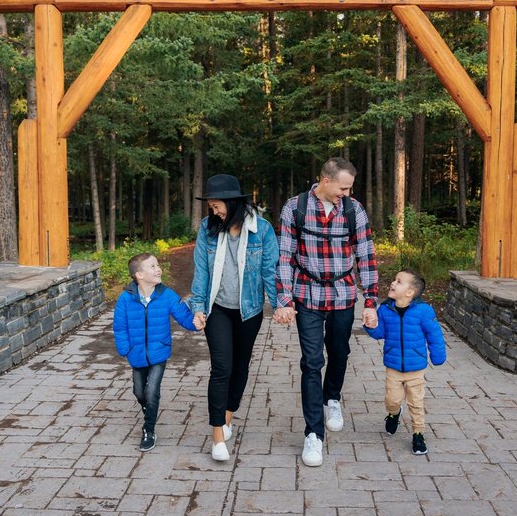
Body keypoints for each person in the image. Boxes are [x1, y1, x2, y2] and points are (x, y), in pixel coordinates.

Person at [273, 157, 379, 467]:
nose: (346, 193)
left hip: (344, 294)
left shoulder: (353, 210)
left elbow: (366, 255)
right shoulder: (295, 208)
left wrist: (370, 300)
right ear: (325, 180)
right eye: (342, 188)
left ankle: (332, 397)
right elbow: (284, 257)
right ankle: (313, 434)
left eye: (349, 188)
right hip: (307, 294)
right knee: (311, 362)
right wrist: (285, 298)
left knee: (339, 352)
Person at [191, 174, 279, 462]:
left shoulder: (261, 230)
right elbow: (201, 271)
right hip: (217, 308)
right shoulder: (207, 228)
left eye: (217, 206)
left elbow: (269, 271)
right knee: (222, 368)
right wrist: (198, 306)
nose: (214, 212)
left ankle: (227, 417)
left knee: (240, 367)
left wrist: (280, 305)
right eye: (211, 207)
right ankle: (217, 436)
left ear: (233, 203)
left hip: (249, 311)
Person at [113, 252, 201, 452]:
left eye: (157, 265)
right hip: (136, 354)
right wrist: (125, 349)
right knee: (139, 391)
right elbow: (120, 326)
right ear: (139, 275)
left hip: (159, 351)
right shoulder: (126, 299)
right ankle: (149, 409)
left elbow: (183, 316)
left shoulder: (166, 294)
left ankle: (149, 429)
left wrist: (195, 324)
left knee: (151, 391)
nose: (158, 269)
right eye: (152, 266)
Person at [364, 269, 446, 455]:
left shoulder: (423, 311)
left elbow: (434, 334)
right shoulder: (385, 309)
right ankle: (394, 413)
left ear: (410, 292)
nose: (393, 283)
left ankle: (418, 434)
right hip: (393, 366)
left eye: (399, 281)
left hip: (416, 367)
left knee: (416, 403)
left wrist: (438, 356)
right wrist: (371, 325)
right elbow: (380, 333)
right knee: (391, 400)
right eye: (394, 280)